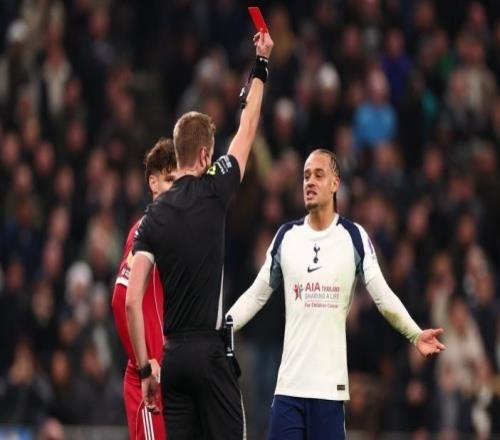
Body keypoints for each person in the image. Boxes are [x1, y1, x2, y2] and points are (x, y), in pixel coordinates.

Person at [227, 149, 446, 440]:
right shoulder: (286, 237)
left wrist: (415, 334)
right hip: (289, 389)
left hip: (329, 391)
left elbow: (382, 296)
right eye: (306, 176)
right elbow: (256, 294)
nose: (309, 181)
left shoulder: (353, 237)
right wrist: (223, 327)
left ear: (335, 183)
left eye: (318, 175)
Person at [125, 31, 274, 439]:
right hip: (210, 353)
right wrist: (261, 65)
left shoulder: (152, 217)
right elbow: (247, 128)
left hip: (172, 358)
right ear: (206, 155)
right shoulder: (215, 188)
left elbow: (133, 301)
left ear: (177, 153)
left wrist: (145, 369)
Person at [111, 138, 177, 440]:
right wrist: (144, 365)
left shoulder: (180, 235)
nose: (177, 188)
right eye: (170, 179)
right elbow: (120, 299)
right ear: (153, 182)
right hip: (150, 383)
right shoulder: (143, 231)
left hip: (173, 378)